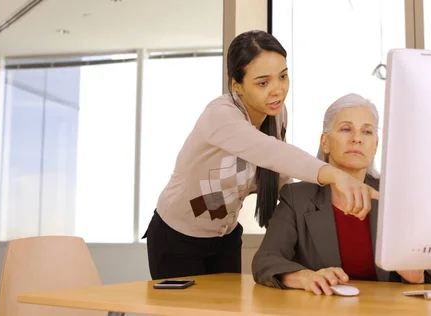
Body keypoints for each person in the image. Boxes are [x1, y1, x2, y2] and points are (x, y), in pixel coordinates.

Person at [143, 30, 379, 280]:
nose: (277, 90)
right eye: (263, 82)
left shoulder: (277, 115)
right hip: (177, 236)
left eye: (283, 77)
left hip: (225, 237)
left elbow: (279, 174)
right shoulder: (221, 116)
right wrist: (335, 176)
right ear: (237, 85)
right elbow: (271, 153)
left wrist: (301, 206)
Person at [252, 93, 431, 295]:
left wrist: (417, 275)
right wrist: (306, 277)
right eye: (346, 129)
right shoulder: (296, 197)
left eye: (367, 132)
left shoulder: (393, 196)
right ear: (324, 142)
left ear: (375, 146)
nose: (357, 139)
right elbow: (265, 261)